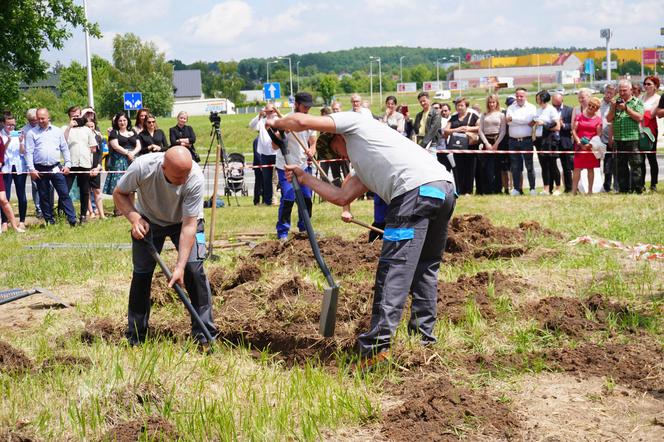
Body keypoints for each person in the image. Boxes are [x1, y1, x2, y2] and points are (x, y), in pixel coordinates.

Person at [267, 110, 455, 366]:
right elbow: (342, 197)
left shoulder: (356, 123)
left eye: (335, 149)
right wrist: (304, 177)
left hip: (413, 191)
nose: (340, 156)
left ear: (336, 136)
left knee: (393, 270)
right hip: (443, 189)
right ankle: (423, 341)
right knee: (424, 268)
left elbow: (300, 121)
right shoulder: (367, 162)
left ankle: (376, 348)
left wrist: (276, 122)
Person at [113, 146, 217, 346]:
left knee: (194, 271)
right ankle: (136, 336)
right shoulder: (142, 167)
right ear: (163, 168)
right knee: (142, 274)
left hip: (185, 222)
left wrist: (179, 267)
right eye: (177, 177)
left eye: (185, 176)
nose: (183, 181)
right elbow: (120, 193)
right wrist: (135, 218)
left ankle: (204, 335)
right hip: (149, 220)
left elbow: (189, 226)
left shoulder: (194, 176)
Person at [24, 108, 78, 226]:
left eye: (43, 118)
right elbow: (28, 152)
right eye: (38, 118)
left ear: (48, 117)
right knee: (44, 196)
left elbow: (64, 148)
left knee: (64, 194)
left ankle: (72, 220)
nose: (40, 120)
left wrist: (68, 164)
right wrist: (31, 169)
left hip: (56, 167)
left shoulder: (57, 131)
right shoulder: (31, 133)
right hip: (40, 169)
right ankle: (49, 221)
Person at [274, 92, 316, 241]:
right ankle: (283, 232)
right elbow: (274, 145)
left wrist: (312, 150)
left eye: (309, 107)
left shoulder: (310, 121)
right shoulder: (285, 120)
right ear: (296, 104)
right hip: (285, 166)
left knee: (306, 198)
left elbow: (313, 141)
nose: (307, 110)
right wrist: (282, 132)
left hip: (303, 165)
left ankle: (305, 229)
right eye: (304, 107)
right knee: (289, 197)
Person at [607, 79, 644, 193]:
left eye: (624, 90)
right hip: (619, 138)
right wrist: (613, 107)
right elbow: (609, 119)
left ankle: (637, 188)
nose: (622, 93)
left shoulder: (637, 102)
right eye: (620, 90)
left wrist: (626, 109)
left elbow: (640, 117)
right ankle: (624, 189)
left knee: (635, 165)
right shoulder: (615, 103)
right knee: (620, 166)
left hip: (632, 138)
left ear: (631, 90)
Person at [103, 112, 140, 215]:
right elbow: (115, 146)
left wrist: (132, 153)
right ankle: (118, 210)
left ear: (127, 121)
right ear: (117, 122)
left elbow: (139, 145)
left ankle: (131, 208)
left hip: (132, 160)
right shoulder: (114, 132)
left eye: (124, 120)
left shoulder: (133, 131)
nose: (122, 122)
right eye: (120, 121)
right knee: (118, 185)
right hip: (119, 161)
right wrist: (127, 152)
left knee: (132, 185)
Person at [64, 109, 97, 223]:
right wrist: (69, 127)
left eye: (78, 116)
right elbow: (62, 141)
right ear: (69, 117)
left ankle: (83, 215)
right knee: (65, 190)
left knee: (84, 191)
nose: (76, 118)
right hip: (70, 163)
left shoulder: (87, 130)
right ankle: (64, 213)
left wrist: (88, 153)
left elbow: (93, 147)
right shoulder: (65, 128)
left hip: (84, 163)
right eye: (74, 116)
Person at [444, 97, 479, 195]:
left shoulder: (473, 116)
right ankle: (460, 190)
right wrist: (458, 129)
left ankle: (469, 191)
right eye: (457, 105)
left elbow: (480, 127)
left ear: (466, 106)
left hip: (470, 147)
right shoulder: (453, 117)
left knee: (470, 169)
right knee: (458, 169)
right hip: (457, 148)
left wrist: (468, 128)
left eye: (461, 105)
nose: (459, 107)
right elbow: (446, 130)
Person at [506, 88, 537, 196]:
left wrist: (515, 120)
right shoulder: (510, 107)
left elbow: (532, 122)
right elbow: (509, 121)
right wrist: (524, 121)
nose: (519, 98)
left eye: (521, 96)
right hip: (513, 141)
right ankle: (516, 189)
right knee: (515, 167)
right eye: (517, 96)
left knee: (529, 166)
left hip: (526, 141)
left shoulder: (532, 107)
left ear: (525, 96)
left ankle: (532, 188)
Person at [248, 104, 280, 204]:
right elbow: (251, 125)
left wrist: (277, 112)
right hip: (265, 154)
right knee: (266, 179)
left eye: (271, 111)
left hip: (276, 153)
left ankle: (275, 198)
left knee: (276, 178)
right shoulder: (261, 121)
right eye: (267, 111)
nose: (269, 113)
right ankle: (267, 200)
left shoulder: (277, 120)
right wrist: (259, 116)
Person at [1, 114, 27, 231]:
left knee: (21, 195)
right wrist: (7, 142)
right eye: (8, 125)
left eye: (13, 125)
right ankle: (4, 222)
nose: (11, 127)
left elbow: (22, 152)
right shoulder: (1, 135)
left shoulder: (18, 134)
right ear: (3, 123)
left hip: (19, 166)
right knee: (5, 196)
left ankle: (22, 220)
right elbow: (1, 152)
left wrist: (21, 141)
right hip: (6, 167)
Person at [571, 97, 602, 194]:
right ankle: (573, 191)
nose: (590, 108)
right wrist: (579, 142)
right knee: (577, 168)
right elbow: (574, 131)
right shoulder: (579, 116)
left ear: (596, 109)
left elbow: (598, 134)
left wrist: (590, 144)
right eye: (589, 105)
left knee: (590, 168)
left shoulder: (598, 120)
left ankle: (589, 191)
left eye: (593, 107)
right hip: (579, 146)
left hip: (591, 147)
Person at [533, 90, 561, 195]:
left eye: (539, 98)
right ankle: (546, 188)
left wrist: (543, 124)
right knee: (543, 165)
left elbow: (557, 127)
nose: (537, 100)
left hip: (549, 140)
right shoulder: (538, 110)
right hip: (539, 141)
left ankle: (558, 188)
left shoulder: (551, 110)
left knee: (553, 165)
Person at [478, 94, 506, 195]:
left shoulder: (501, 115)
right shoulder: (484, 115)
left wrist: (496, 144)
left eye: (493, 102)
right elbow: (480, 130)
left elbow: (503, 130)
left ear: (497, 103)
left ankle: (498, 189)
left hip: (498, 141)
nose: (491, 104)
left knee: (497, 167)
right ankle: (488, 189)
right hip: (486, 141)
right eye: (490, 102)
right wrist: (486, 143)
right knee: (487, 167)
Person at [21, 109, 44, 217]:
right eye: (31, 120)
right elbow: (24, 150)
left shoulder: (42, 128)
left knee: (49, 185)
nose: (34, 122)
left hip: (43, 160)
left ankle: (48, 206)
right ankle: (39, 208)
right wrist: (30, 166)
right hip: (32, 162)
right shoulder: (24, 130)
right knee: (36, 186)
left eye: (35, 120)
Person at [640, 76, 660, 191]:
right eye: (645, 84)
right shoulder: (642, 97)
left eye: (649, 84)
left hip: (651, 131)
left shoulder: (657, 99)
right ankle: (641, 184)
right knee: (640, 158)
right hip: (640, 129)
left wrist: (639, 113)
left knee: (651, 157)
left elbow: (651, 114)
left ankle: (653, 184)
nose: (646, 86)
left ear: (655, 86)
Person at [552, 93, 575, 193]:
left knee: (567, 167)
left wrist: (564, 125)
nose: (556, 106)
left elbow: (574, 125)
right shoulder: (550, 110)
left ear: (562, 100)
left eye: (558, 104)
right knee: (552, 166)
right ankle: (552, 188)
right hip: (552, 142)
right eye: (554, 104)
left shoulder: (569, 110)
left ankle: (569, 188)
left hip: (565, 142)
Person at [84, 114, 105, 219]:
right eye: (88, 126)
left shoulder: (98, 137)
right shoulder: (82, 137)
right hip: (85, 167)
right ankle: (91, 211)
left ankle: (102, 214)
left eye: (92, 126)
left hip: (96, 167)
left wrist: (98, 167)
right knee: (86, 190)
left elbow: (100, 153)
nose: (90, 128)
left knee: (97, 190)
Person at [599, 84, 617, 192]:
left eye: (611, 93)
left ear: (615, 93)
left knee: (613, 163)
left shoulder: (616, 104)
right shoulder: (599, 103)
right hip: (600, 138)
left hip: (612, 137)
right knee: (604, 164)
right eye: (607, 92)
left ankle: (614, 185)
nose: (608, 95)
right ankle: (604, 185)